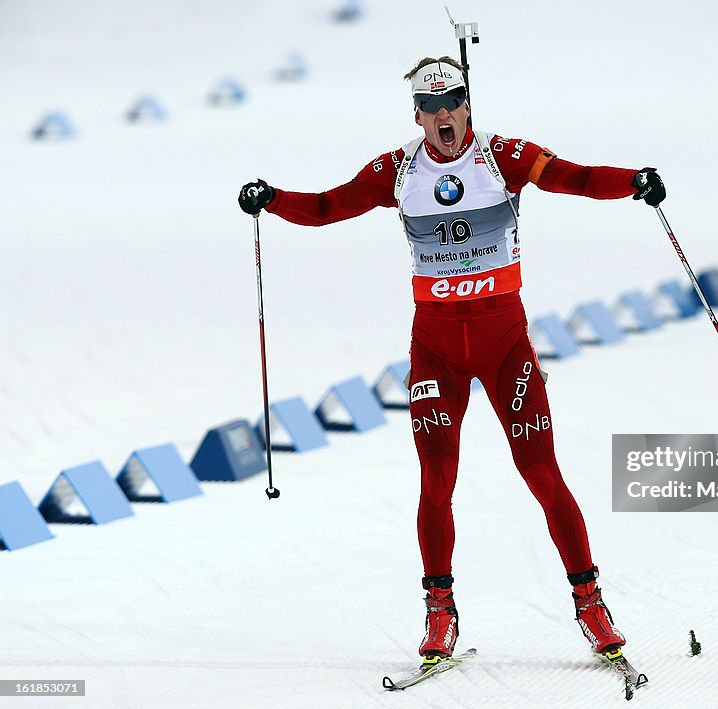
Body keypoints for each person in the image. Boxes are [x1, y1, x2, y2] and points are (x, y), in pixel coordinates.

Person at [238, 56, 665, 661]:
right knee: (437, 480)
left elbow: (579, 177)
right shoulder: (397, 169)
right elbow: (328, 207)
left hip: (504, 348)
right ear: (417, 115)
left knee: (542, 475)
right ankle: (440, 612)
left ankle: (590, 603)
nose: (444, 117)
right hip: (437, 350)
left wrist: (634, 181)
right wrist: (272, 198)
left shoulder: (505, 156)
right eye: (431, 108)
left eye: (453, 103)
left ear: (469, 105)